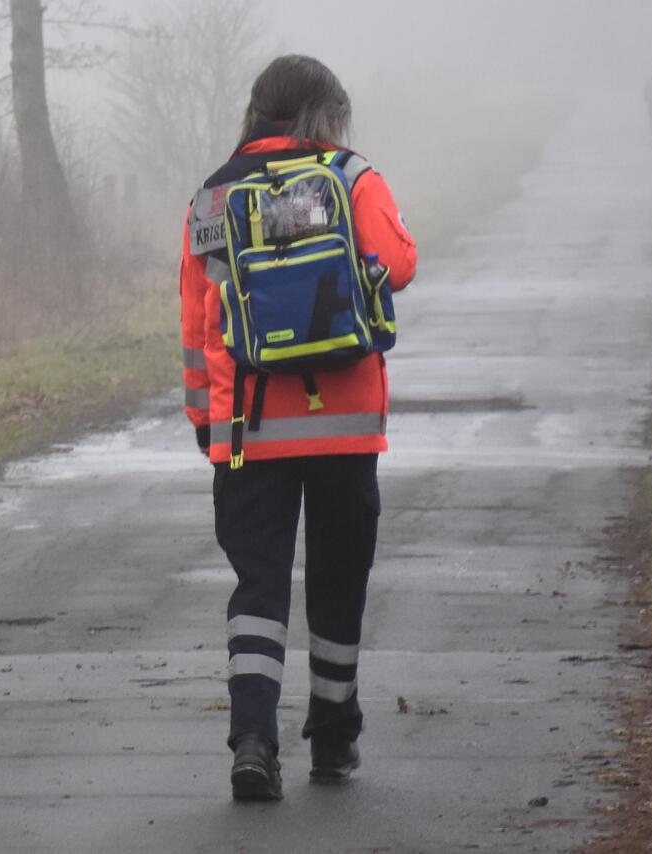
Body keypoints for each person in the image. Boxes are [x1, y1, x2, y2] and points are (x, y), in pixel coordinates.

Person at [178, 54, 418, 802]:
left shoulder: (214, 194)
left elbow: (198, 321)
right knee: (338, 581)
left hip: (248, 429)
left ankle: (253, 738)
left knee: (258, 585)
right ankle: (334, 734)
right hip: (344, 426)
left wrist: (203, 418)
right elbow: (400, 264)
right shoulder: (351, 179)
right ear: (326, 113)